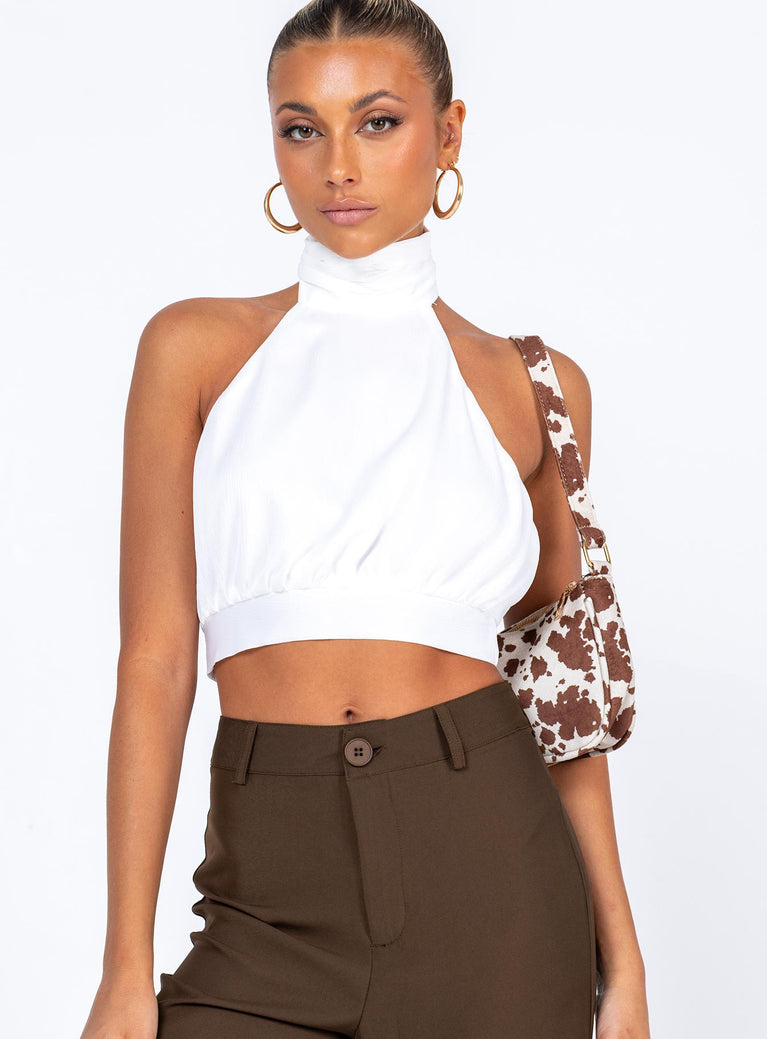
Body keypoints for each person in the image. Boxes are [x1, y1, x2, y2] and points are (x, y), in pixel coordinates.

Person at [80, 2, 650, 1037]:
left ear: (448, 133)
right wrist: (125, 963)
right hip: (264, 897)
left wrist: (625, 961)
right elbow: (155, 660)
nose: (337, 165)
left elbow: (560, 697)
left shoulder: (537, 388)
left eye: (377, 121)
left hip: (493, 883)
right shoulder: (194, 350)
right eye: (302, 128)